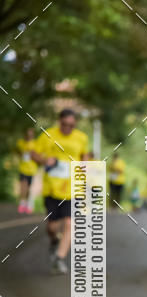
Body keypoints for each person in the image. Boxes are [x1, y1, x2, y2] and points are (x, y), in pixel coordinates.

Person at [31, 109, 92, 274]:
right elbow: (34, 154)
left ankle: (59, 259)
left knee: (70, 224)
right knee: (52, 227)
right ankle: (53, 241)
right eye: (65, 125)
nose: (68, 128)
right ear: (60, 122)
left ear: (75, 124)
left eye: (71, 125)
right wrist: (45, 160)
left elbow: (85, 158)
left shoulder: (82, 138)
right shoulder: (48, 135)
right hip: (51, 189)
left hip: (73, 190)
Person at [15, 128, 37, 214]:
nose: (29, 137)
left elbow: (37, 156)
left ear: (33, 136)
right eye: (27, 135)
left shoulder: (35, 144)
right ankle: (22, 203)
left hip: (31, 169)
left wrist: (33, 154)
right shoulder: (21, 143)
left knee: (28, 188)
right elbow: (18, 152)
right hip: (23, 168)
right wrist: (21, 153)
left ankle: (29, 204)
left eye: (30, 135)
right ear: (25, 135)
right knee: (22, 186)